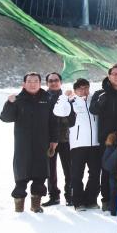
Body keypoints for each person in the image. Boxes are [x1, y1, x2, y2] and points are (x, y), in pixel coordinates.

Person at [0, 73, 59, 213]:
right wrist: (9, 103)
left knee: (40, 175)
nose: (33, 84)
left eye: (36, 81)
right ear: (24, 84)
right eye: (30, 81)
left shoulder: (47, 99)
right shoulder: (18, 100)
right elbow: (5, 118)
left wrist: (54, 140)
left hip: (42, 144)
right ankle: (19, 207)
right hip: (23, 145)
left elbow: (53, 122)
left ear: (40, 83)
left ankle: (36, 205)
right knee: (21, 175)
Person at [89, 63, 117, 212]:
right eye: (114, 74)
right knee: (107, 169)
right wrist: (101, 101)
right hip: (107, 138)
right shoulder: (100, 93)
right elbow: (93, 110)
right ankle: (106, 199)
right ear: (109, 76)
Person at [53, 78, 101, 210]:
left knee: (95, 174)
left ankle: (91, 200)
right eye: (80, 88)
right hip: (78, 145)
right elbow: (58, 111)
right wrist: (64, 96)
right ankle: (78, 201)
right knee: (76, 175)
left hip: (95, 144)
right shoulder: (71, 102)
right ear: (75, 90)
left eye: (86, 87)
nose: (83, 90)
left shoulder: (94, 100)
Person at [44, 72, 72, 207]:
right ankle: (54, 196)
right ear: (47, 83)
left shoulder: (67, 97)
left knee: (69, 169)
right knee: (50, 171)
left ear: (60, 82)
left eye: (56, 80)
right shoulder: (43, 97)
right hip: (48, 140)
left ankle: (70, 195)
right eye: (50, 81)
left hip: (65, 139)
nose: (53, 82)